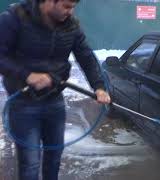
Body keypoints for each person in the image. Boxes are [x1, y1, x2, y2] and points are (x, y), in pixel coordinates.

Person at [0, 0, 111, 179]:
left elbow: (86, 57)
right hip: (23, 103)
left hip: (54, 100)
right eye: (66, 6)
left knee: (54, 158)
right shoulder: (15, 18)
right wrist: (28, 75)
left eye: (73, 6)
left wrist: (99, 87)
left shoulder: (71, 26)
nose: (71, 11)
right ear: (49, 2)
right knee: (30, 163)